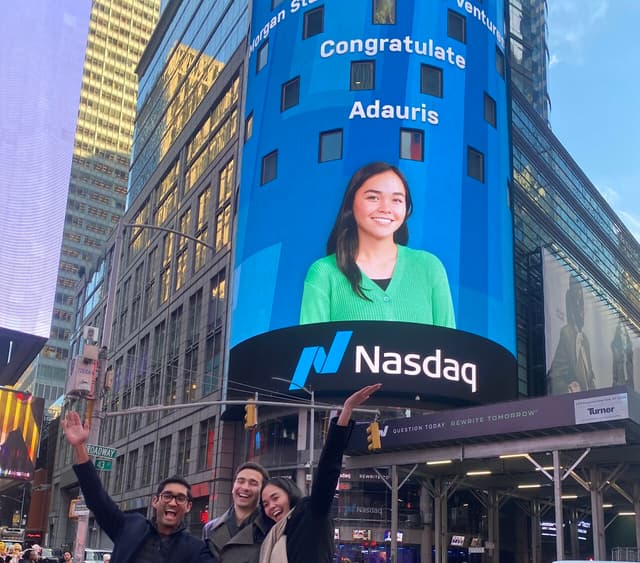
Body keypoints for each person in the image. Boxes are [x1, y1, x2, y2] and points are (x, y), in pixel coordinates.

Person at [300, 162, 455, 328]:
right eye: (373, 197)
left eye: (396, 200)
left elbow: (450, 348)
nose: (385, 208)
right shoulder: (324, 273)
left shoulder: (429, 267)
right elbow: (313, 349)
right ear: (351, 204)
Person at [61, 411, 214, 563]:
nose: (173, 503)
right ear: (155, 501)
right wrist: (80, 447)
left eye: (180, 498)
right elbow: (97, 498)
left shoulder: (196, 551)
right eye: (167, 496)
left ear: (188, 506)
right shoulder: (130, 526)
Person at [259, 384, 382, 563]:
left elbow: (328, 470)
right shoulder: (273, 535)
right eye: (265, 504)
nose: (271, 506)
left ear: (289, 494)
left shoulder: (310, 512)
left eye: (275, 498)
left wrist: (346, 412)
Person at [203, 461, 272, 562]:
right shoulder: (209, 529)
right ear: (233, 486)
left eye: (253, 483)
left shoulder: (270, 530)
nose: (245, 487)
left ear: (263, 491)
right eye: (240, 481)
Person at [547, 276, 596, 393]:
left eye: (582, 303)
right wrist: (569, 390)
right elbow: (554, 376)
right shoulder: (567, 334)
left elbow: (590, 379)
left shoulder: (585, 340)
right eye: (577, 302)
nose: (581, 310)